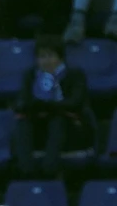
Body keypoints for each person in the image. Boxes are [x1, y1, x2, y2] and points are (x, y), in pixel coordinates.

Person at [12, 36, 96, 179]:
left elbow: (75, 103)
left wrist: (49, 105)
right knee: (22, 123)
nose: (46, 61)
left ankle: (50, 168)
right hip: (39, 126)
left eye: (50, 56)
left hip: (69, 128)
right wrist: (36, 106)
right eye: (42, 56)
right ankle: (26, 170)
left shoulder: (74, 75)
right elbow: (21, 103)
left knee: (57, 120)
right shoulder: (31, 75)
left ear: (61, 57)